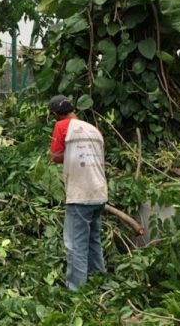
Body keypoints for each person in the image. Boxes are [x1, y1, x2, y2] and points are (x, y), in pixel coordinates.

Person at [49, 94, 108, 291]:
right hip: (99, 191)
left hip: (80, 193)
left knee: (75, 243)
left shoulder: (62, 127)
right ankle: (99, 282)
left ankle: (77, 290)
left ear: (56, 114)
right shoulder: (93, 129)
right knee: (93, 239)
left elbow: (56, 156)